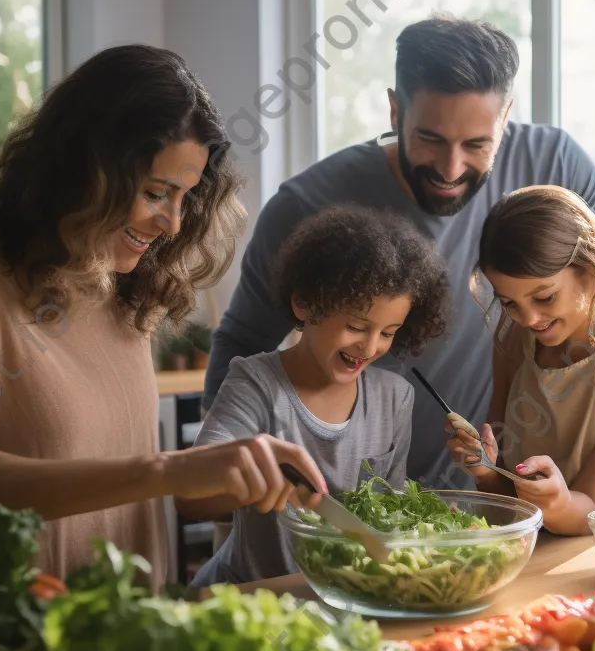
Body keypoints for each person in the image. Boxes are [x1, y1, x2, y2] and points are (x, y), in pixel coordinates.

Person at [0, 45, 326, 594]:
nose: (171, 224)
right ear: (82, 170)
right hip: (13, 649)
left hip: (128, 642)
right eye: (154, 193)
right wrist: (169, 469)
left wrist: (219, 479)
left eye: (184, 198)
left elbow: (118, 490)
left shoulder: (120, 282)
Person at [205, 15, 595, 491]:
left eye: (477, 144)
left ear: (505, 119)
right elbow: (242, 345)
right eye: (431, 139)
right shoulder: (308, 203)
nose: (451, 168)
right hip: (357, 501)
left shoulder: (554, 162)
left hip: (503, 497)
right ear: (395, 111)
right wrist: (227, 490)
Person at [189, 204, 449, 586]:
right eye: (357, 326)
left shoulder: (395, 398)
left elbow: (389, 513)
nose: (371, 346)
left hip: (341, 599)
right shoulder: (255, 382)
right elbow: (192, 497)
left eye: (389, 332)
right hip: (253, 596)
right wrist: (249, 479)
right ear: (306, 304)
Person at [446, 186, 595, 534]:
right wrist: (485, 469)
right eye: (509, 303)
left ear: (590, 270)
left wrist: (557, 502)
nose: (528, 318)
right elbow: (511, 504)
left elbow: (592, 511)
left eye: (545, 297)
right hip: (523, 553)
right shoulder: (513, 339)